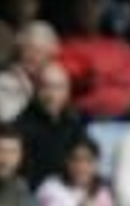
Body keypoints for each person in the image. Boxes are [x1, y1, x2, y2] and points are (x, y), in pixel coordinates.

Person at [58, 0, 130, 120]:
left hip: (127, 119)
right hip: (84, 122)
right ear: (73, 8)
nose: (88, 9)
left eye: (94, 2)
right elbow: (80, 79)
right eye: (82, 3)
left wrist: (104, 78)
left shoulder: (118, 45)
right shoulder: (65, 46)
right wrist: (113, 77)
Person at [14, 61, 85, 189]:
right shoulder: (20, 127)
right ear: (36, 89)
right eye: (46, 87)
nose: (52, 95)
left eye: (58, 87)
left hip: (69, 193)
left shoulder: (74, 123)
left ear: (67, 91)